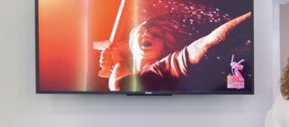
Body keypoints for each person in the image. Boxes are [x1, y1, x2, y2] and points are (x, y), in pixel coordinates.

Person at [95, 5, 252, 91]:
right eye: (143, 30)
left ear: (165, 47)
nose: (148, 33)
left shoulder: (167, 67)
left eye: (156, 34)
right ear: (131, 43)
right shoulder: (132, 71)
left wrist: (119, 60)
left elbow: (207, 43)